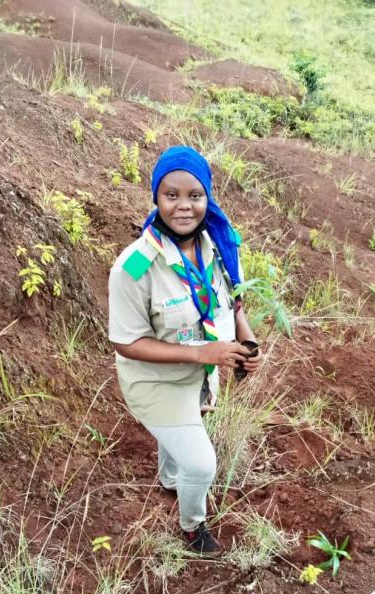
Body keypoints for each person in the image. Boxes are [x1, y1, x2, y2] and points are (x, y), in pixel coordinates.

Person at [108, 145, 261, 557]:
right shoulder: (135, 266)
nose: (183, 206)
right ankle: (193, 527)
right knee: (201, 465)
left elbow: (235, 303)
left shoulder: (222, 246)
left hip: (201, 373)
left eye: (194, 195)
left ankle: (169, 480)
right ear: (156, 198)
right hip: (156, 381)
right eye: (170, 195)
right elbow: (126, 341)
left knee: (181, 448)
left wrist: (244, 340)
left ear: (207, 197)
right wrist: (202, 354)